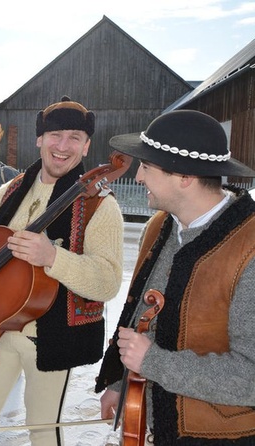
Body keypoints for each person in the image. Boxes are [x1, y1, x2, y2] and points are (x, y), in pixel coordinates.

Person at [0, 96, 124, 446]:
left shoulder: (101, 204)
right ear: (39, 139)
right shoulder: (13, 187)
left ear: (86, 146)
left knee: (42, 428)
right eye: (55, 135)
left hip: (51, 336)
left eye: (74, 137)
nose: (62, 146)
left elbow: (108, 280)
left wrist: (54, 257)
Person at [96, 110, 255, 445]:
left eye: (147, 167)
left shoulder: (250, 247)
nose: (138, 177)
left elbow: (251, 376)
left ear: (184, 176)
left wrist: (154, 362)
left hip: (219, 435)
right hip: (153, 424)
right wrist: (119, 384)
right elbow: (140, 318)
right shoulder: (159, 226)